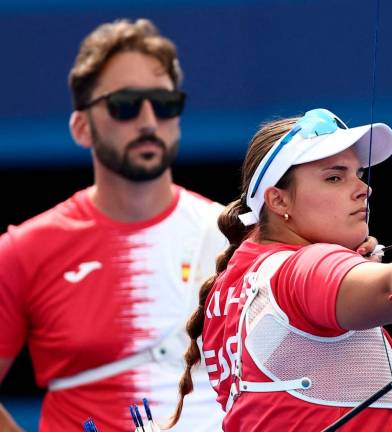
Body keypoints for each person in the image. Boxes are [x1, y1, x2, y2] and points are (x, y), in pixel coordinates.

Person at [167, 108, 392, 431]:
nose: (363, 188)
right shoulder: (301, 268)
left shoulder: (237, 277)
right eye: (334, 177)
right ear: (277, 200)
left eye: (358, 173)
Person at [0, 19, 229, 431]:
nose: (147, 121)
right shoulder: (23, 251)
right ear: (81, 127)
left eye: (164, 103)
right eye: (125, 104)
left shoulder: (230, 235)